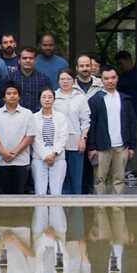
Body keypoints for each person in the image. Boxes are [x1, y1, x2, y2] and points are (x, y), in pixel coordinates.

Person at [87, 68, 137, 195]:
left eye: (113, 77)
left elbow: (132, 124)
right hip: (101, 147)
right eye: (106, 78)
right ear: (101, 80)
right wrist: (91, 147)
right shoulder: (95, 100)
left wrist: (132, 146)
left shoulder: (125, 99)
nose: (110, 81)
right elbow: (91, 125)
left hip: (121, 146)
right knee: (99, 180)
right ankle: (100, 206)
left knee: (119, 180)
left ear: (117, 78)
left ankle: (117, 206)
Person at [28, 88, 76, 195]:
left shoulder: (61, 117)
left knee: (56, 192)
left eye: (50, 97)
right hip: (39, 158)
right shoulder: (33, 117)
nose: (47, 100)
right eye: (44, 97)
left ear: (54, 99)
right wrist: (45, 155)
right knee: (40, 192)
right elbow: (34, 139)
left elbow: (63, 137)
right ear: (39, 99)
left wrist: (53, 154)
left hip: (58, 157)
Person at [51, 68, 90, 196]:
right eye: (62, 79)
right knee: (60, 179)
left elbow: (85, 120)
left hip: (75, 142)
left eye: (68, 79)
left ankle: (76, 207)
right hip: (57, 144)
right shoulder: (53, 96)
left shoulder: (80, 97)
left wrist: (83, 139)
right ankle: (60, 207)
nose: (65, 81)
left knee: (76, 178)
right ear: (58, 81)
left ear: (74, 81)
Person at [0, 84, 34, 195]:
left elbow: (30, 136)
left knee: (20, 196)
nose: (12, 96)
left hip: (21, 162)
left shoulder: (27, 113)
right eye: (8, 93)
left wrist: (14, 153)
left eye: (15, 93)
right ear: (4, 97)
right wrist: (3, 152)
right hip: (1, 162)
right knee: (3, 197)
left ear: (19, 96)